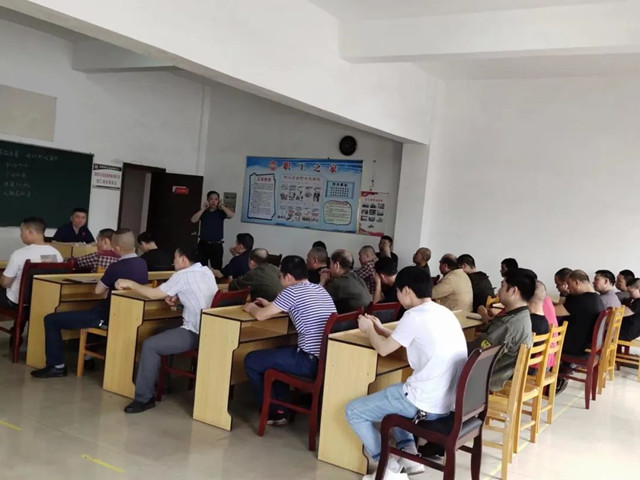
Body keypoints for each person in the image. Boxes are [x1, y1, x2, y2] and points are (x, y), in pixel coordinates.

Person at [345, 267, 467, 480]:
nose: (398, 296)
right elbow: (411, 339)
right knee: (395, 392)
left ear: (407, 291)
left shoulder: (413, 316)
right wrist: (380, 329)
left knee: (354, 411)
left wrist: (368, 330)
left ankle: (387, 464)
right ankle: (410, 456)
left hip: (424, 404)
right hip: (446, 403)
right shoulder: (443, 312)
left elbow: (383, 349)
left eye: (398, 291)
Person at [31, 229, 148, 378]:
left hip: (106, 317)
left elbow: (98, 291)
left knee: (51, 319)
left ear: (117, 248)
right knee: (92, 310)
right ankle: (88, 357)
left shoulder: (116, 267)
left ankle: (56, 366)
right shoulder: (142, 263)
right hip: (129, 314)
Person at [116, 246, 218, 413]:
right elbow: (198, 297)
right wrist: (179, 298)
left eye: (175, 258)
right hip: (211, 329)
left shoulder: (182, 275)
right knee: (160, 331)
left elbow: (153, 294)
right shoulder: (206, 271)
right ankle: (161, 381)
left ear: (183, 259)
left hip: (195, 332)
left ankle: (144, 398)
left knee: (150, 345)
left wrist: (130, 283)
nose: (173, 262)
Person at [243, 255, 336, 425]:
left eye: (281, 276)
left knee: (252, 360)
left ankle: (271, 411)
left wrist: (252, 307)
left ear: (289, 277)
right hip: (325, 359)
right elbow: (299, 307)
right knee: (277, 356)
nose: (279, 279)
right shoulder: (319, 289)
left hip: (307, 361)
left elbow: (261, 316)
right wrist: (271, 304)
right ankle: (280, 408)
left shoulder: (291, 291)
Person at [469, 268, 535, 391]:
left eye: (502, 286)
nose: (498, 291)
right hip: (500, 376)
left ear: (514, 291)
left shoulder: (507, 325)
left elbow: (476, 353)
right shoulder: (523, 316)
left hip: (484, 381)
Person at [0, 217, 63, 309]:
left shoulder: (19, 254)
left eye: (22, 231)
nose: (21, 235)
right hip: (45, 300)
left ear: (29, 232)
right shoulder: (57, 254)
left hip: (19, 301)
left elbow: (5, 283)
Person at [554, 270, 604, 356]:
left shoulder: (582, 300)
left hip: (572, 345)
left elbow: (553, 312)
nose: (568, 288)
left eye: (569, 284)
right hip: (583, 343)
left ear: (576, 283)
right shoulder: (596, 298)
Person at [320, 250, 372, 317]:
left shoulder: (337, 283)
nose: (329, 268)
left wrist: (323, 281)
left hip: (353, 321)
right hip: (368, 318)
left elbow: (317, 301)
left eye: (330, 264)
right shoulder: (357, 278)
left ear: (336, 265)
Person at [191, 191, 234, 269]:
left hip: (216, 245)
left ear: (218, 201)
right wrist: (203, 209)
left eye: (216, 199)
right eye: (211, 199)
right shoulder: (203, 212)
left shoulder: (220, 212)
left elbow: (231, 215)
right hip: (203, 245)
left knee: (217, 268)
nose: (213, 202)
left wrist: (222, 206)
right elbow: (193, 220)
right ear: (207, 200)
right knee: (200, 268)